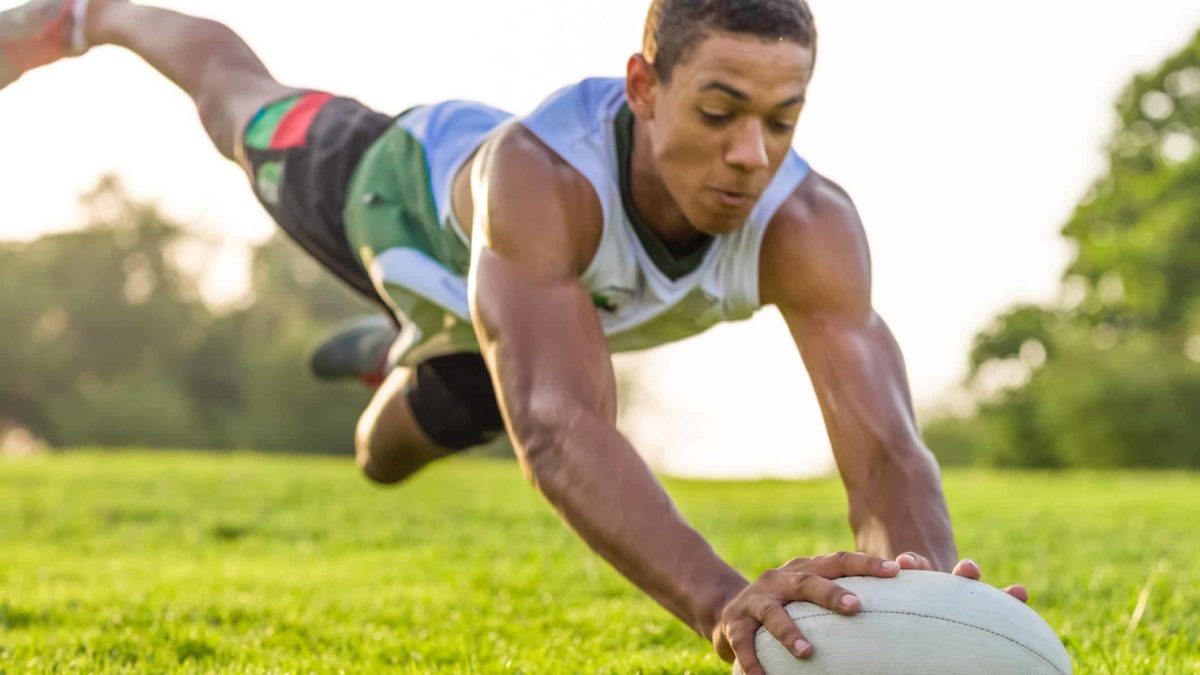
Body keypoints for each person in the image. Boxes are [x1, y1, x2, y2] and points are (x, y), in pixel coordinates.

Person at [0, 0, 1027, 671]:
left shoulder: (811, 226)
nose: (750, 154)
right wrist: (728, 603)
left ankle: (392, 360)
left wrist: (928, 598)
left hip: (539, 319)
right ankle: (98, 16)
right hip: (398, 207)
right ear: (643, 87)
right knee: (237, 103)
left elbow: (886, 446)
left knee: (384, 458)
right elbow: (559, 430)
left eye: (783, 118)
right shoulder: (543, 175)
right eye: (718, 111)